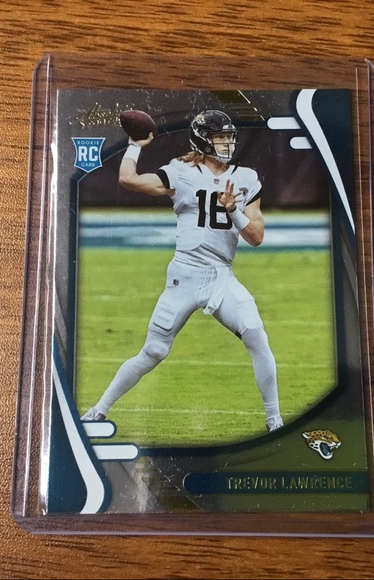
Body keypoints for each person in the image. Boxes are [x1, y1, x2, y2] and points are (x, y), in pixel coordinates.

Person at [81, 110, 283, 432]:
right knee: (153, 351)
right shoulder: (182, 172)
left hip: (220, 276)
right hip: (184, 276)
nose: (227, 143)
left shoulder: (246, 177)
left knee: (257, 337)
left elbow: (256, 237)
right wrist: (134, 145)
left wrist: (234, 212)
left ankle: (275, 421)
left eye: (229, 137)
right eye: (220, 137)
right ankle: (97, 411)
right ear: (203, 140)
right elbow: (128, 179)